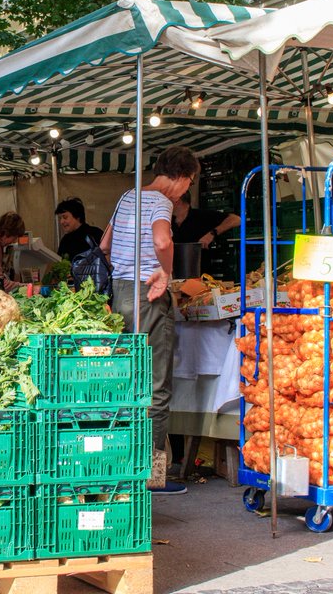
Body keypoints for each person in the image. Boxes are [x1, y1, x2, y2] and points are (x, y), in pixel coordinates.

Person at [100, 145, 199, 495]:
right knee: (156, 386)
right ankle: (151, 476)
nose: (185, 190)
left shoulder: (127, 196)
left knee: (127, 381)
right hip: (149, 295)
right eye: (189, 183)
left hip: (120, 294)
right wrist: (165, 272)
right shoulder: (161, 202)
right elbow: (162, 240)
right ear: (182, 177)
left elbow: (106, 244)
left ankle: (121, 466)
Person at [171, 195, 241, 249]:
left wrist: (212, 233)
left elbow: (237, 219)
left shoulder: (202, 216)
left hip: (202, 262)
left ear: (177, 200)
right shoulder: (168, 222)